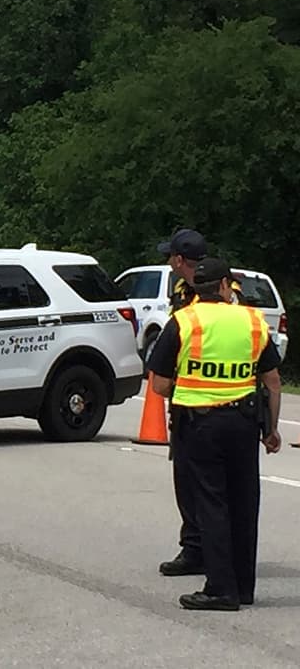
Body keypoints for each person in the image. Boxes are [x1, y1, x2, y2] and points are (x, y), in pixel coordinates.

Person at [146, 257, 283, 610]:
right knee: (244, 503)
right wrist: (272, 429)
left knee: (211, 504)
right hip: (243, 422)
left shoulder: (183, 321)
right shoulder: (252, 321)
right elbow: (272, 380)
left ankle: (221, 589)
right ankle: (243, 587)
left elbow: (159, 385)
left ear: (195, 289)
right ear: (225, 286)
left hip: (199, 424)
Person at [154, 228, 209, 577]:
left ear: (179, 259)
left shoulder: (221, 290)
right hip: (184, 394)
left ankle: (204, 549)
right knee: (186, 479)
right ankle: (194, 545)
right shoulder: (181, 290)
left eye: (170, 257)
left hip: (213, 396)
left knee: (206, 482)